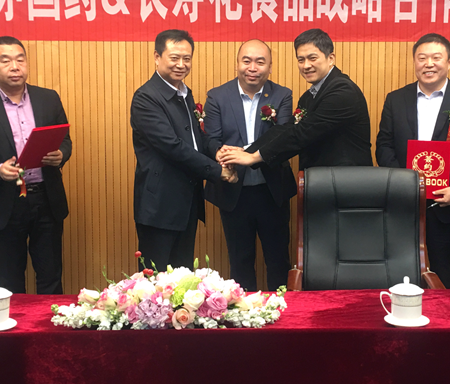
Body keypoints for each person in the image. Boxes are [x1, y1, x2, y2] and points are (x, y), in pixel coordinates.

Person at [0, 36, 71, 294]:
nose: (15, 67)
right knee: (10, 280)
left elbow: (65, 139)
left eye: (20, 60)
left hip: (45, 199)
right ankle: (15, 322)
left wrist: (61, 154)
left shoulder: (48, 98)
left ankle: (50, 321)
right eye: (6, 61)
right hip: (4, 202)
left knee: (51, 277)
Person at [376, 33, 450, 289]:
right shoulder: (396, 99)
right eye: (422, 58)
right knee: (400, 275)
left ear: (449, 61)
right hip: (403, 205)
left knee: (443, 275)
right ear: (414, 61)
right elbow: (384, 145)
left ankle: (442, 316)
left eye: (436, 58)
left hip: (447, 204)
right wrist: (402, 184)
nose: (429, 64)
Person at [131, 29, 237, 272]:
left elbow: (196, 137)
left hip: (186, 201)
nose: (181, 65)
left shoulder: (184, 93)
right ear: (157, 57)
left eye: (187, 58)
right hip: (159, 205)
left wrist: (217, 152)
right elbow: (172, 146)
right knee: (155, 281)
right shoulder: (146, 98)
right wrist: (217, 171)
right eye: (174, 58)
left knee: (181, 277)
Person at [204, 40, 296, 291]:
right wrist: (222, 154)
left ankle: (283, 310)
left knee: (278, 260)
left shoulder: (282, 95)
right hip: (234, 190)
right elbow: (211, 140)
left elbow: (282, 136)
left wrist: (244, 152)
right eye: (247, 61)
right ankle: (244, 312)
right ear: (237, 63)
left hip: (272, 190)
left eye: (260, 62)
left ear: (270, 67)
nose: (252, 68)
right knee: (240, 262)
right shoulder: (217, 96)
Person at [217, 28, 372, 170]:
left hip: (346, 181)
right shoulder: (309, 96)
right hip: (323, 180)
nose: (306, 65)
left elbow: (302, 134)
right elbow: (287, 129)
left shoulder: (342, 91)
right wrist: (247, 151)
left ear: (330, 58)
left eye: (312, 58)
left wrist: (253, 157)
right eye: (301, 59)